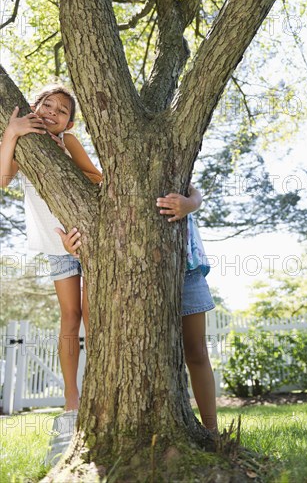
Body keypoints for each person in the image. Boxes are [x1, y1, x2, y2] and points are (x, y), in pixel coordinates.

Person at [60, 185, 218, 431]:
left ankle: (211, 431)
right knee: (143, 353)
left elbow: (195, 192)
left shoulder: (173, 167)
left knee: (196, 350)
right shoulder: (111, 182)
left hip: (186, 266)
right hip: (137, 277)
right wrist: (74, 249)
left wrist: (190, 204)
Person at [0, 86, 102, 412]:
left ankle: (99, 391)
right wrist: (12, 132)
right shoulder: (26, 143)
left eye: (62, 111)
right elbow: (3, 179)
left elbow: (97, 177)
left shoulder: (68, 141)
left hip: (86, 236)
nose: (52, 112)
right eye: (48, 105)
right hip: (56, 244)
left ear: (68, 124)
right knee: (70, 317)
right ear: (34, 106)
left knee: (92, 315)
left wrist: (63, 156)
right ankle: (72, 400)